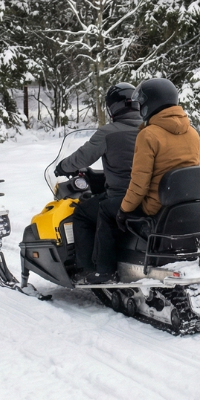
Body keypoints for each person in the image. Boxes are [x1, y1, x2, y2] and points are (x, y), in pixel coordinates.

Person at [88, 78, 200, 284]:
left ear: (151, 103)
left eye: (141, 103)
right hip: (187, 206)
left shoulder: (149, 134)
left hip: (156, 207)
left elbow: (139, 183)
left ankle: (104, 271)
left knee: (105, 209)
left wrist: (124, 209)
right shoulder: (192, 133)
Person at [55, 83, 142, 277]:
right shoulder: (150, 129)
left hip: (121, 196)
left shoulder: (109, 132)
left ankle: (89, 268)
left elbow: (82, 157)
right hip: (148, 196)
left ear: (113, 108)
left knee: (82, 214)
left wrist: (63, 166)